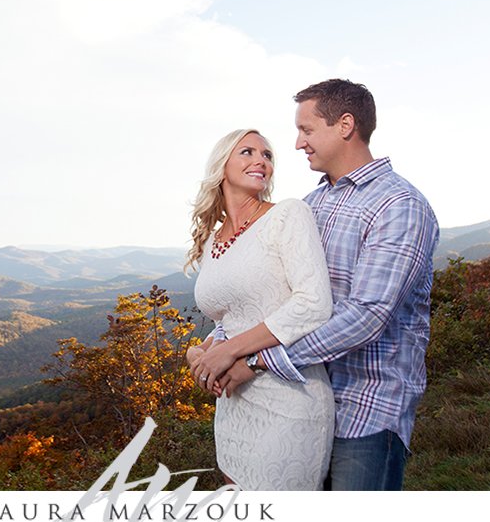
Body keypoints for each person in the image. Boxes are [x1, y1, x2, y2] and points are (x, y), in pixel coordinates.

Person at [196, 79, 440, 491]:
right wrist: (214, 347)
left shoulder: (399, 205)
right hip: (297, 394)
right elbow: (270, 295)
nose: (297, 144)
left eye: (306, 130)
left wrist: (253, 362)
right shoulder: (311, 205)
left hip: (366, 406)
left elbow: (367, 316)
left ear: (345, 125)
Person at [186, 128, 335, 490]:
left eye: (267, 156)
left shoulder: (288, 215)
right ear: (222, 166)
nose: (260, 161)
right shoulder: (213, 240)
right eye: (247, 152)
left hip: (290, 399)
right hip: (234, 404)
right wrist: (204, 352)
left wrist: (230, 353)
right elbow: (230, 316)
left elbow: (314, 304)